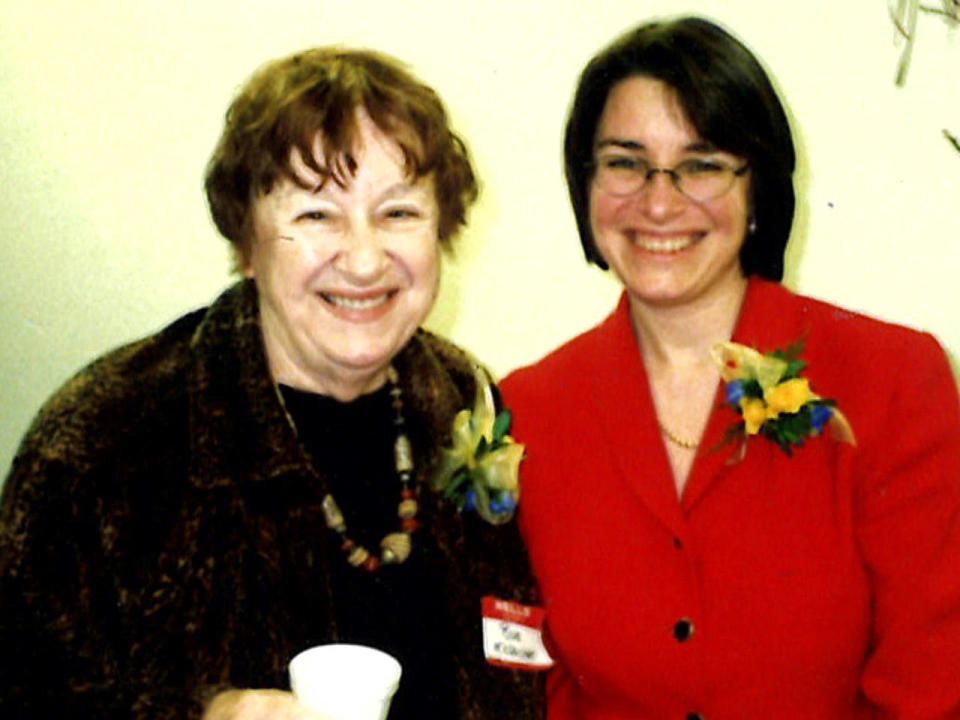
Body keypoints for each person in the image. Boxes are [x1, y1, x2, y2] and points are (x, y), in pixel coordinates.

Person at [0, 48, 543, 720]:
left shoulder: (465, 401)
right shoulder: (108, 445)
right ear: (246, 242)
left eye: (399, 213)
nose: (366, 259)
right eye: (316, 216)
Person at [501, 16, 960, 720]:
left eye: (702, 164)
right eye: (625, 162)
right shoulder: (526, 412)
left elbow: (933, 681)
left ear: (757, 192)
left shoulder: (892, 381)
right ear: (584, 181)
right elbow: (528, 683)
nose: (659, 201)